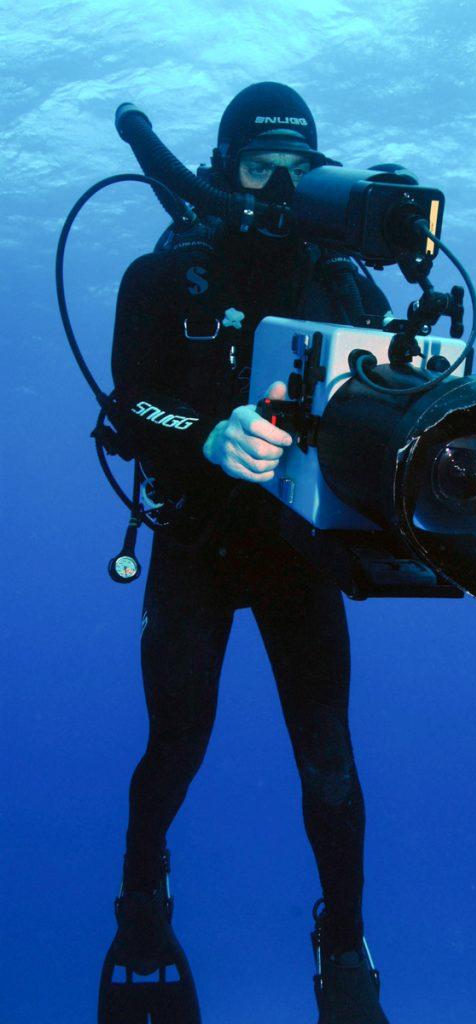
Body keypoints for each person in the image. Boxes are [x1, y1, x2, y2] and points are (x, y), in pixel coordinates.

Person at [98, 81, 393, 1024]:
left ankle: (345, 949)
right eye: (263, 166)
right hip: (196, 538)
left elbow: (392, 403)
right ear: (224, 167)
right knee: (175, 746)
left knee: (331, 766)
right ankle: (142, 895)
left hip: (298, 548)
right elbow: (124, 408)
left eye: (301, 169)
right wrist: (202, 436)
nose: (281, 189)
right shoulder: (169, 273)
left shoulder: (344, 278)